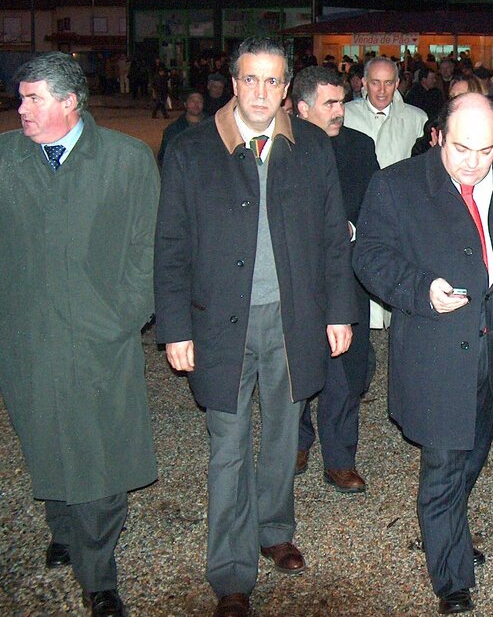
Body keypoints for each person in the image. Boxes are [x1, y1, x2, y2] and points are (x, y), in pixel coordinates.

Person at [155, 37, 358, 617]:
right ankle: (230, 569)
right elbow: (170, 245)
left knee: (281, 437)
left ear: (286, 87)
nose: (261, 93)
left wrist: (339, 311)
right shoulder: (192, 149)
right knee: (227, 446)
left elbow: (330, 236)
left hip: (292, 320)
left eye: (273, 82)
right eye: (251, 80)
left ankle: (274, 529)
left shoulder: (313, 146)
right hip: (219, 323)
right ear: (233, 81)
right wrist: (174, 328)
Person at [352, 92, 493, 614]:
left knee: (477, 448)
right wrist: (421, 289)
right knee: (445, 460)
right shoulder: (396, 185)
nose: (474, 162)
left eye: (487, 150)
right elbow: (370, 256)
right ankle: (452, 578)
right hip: (438, 345)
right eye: (462, 148)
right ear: (438, 137)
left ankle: (445, 525)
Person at [0, 52, 160, 617]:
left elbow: (147, 250)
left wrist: (123, 316)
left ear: (69, 103)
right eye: (20, 98)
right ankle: (63, 529)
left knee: (100, 456)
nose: (21, 108)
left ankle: (99, 578)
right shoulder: (5, 159)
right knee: (44, 437)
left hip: (100, 340)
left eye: (33, 98)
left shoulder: (125, 159)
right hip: (25, 338)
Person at [292, 65, 381, 491]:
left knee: (347, 370)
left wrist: (350, 227)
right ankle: (295, 441)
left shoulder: (359, 147)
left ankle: (340, 456)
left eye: (342, 102)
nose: (339, 111)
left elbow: (377, 207)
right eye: (330, 103)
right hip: (295, 281)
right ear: (301, 107)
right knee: (293, 364)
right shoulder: (280, 146)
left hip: (347, 277)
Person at [343, 56, 428, 330]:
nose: (381, 90)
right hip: (357, 209)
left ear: (398, 84)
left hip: (401, 211)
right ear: (363, 83)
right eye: (375, 82)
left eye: (388, 83)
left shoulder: (416, 118)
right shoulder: (345, 114)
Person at [157, 89, 207, 168]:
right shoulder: (173, 129)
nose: (196, 104)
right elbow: (165, 157)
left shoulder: (212, 126)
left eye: (199, 101)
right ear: (185, 104)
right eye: (192, 101)